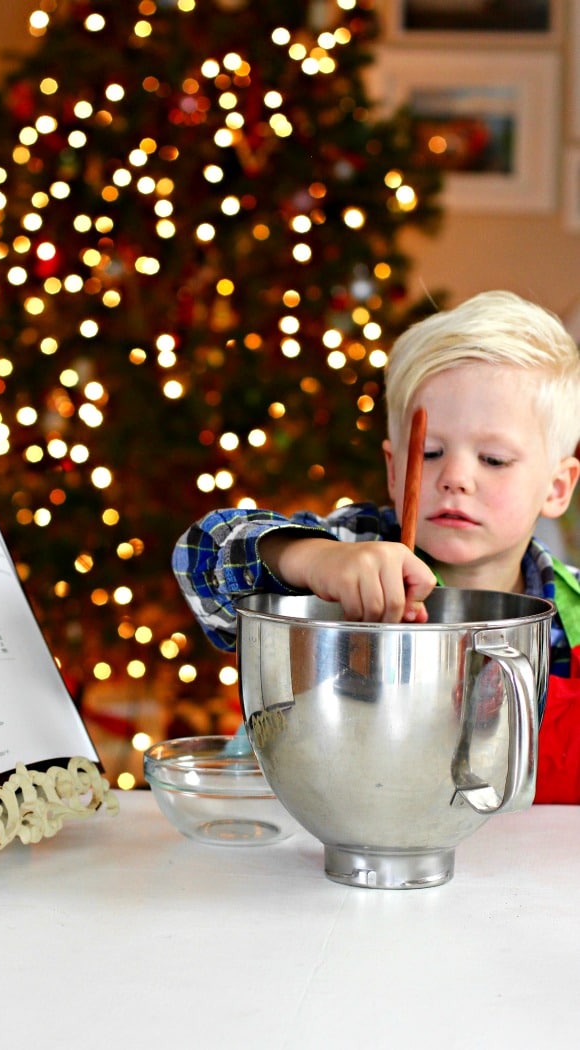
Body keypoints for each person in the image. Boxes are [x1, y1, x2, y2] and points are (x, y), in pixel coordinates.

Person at [172, 290, 580, 802]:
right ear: (393, 469)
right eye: (429, 453)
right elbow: (200, 552)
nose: (454, 478)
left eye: (494, 460)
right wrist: (315, 559)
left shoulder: (572, 612)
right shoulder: (358, 544)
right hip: (329, 831)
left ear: (557, 487)